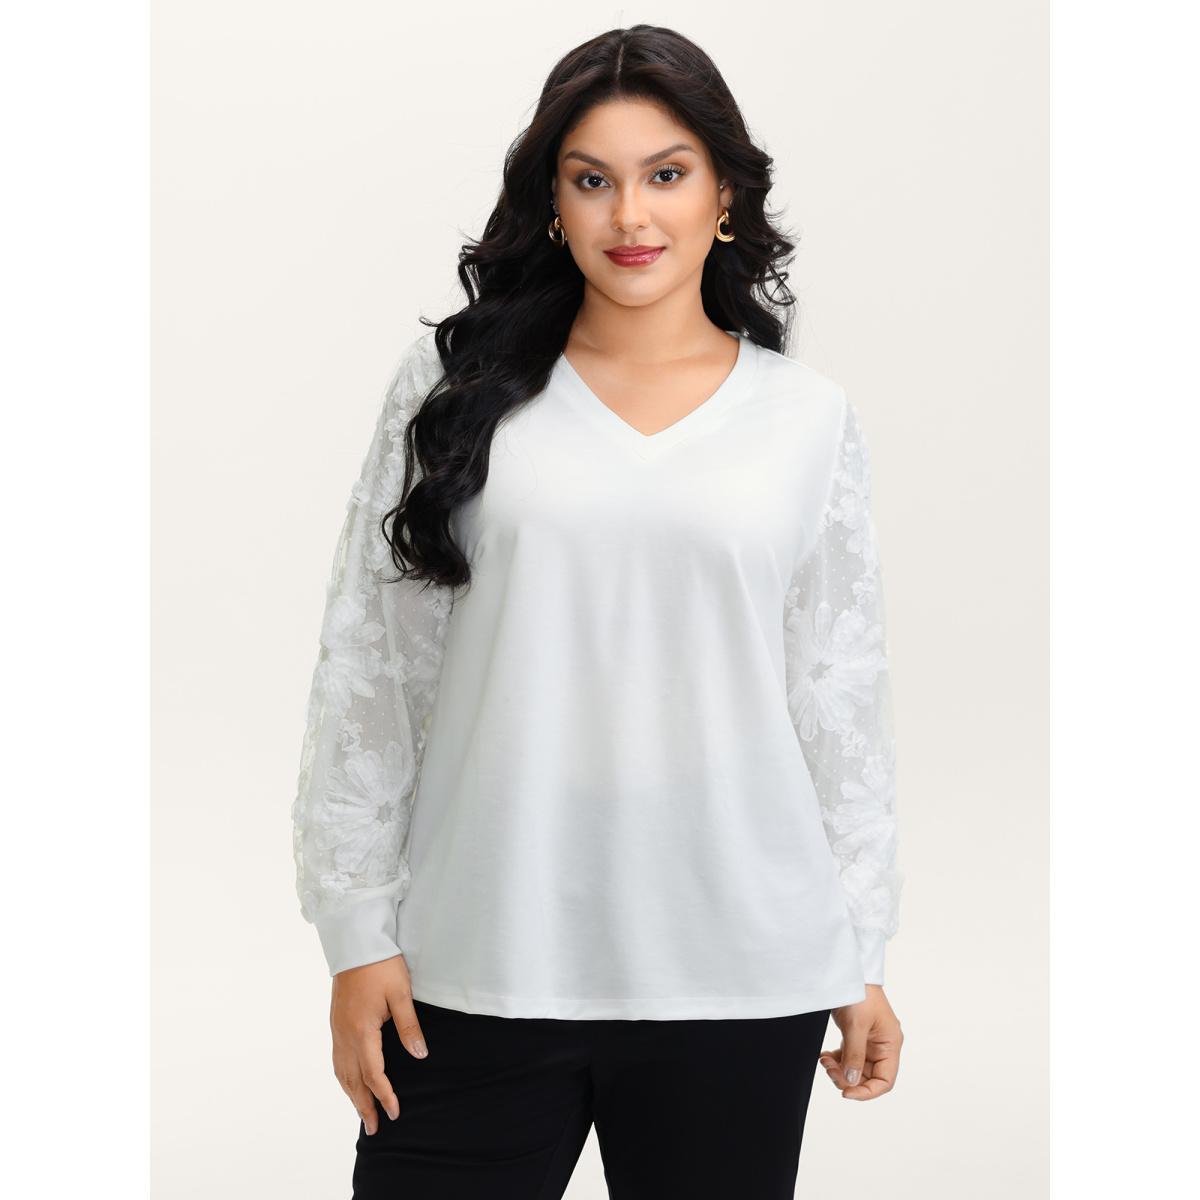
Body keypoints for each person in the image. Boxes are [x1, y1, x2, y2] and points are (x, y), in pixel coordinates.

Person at [291, 23, 905, 1200]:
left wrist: (861, 952)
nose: (632, 214)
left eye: (666, 174)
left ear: (724, 195)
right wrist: (357, 935)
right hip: (478, 960)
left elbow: (838, 700)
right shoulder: (453, 394)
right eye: (592, 180)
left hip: (741, 975)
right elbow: (372, 667)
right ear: (553, 205)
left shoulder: (806, 419)